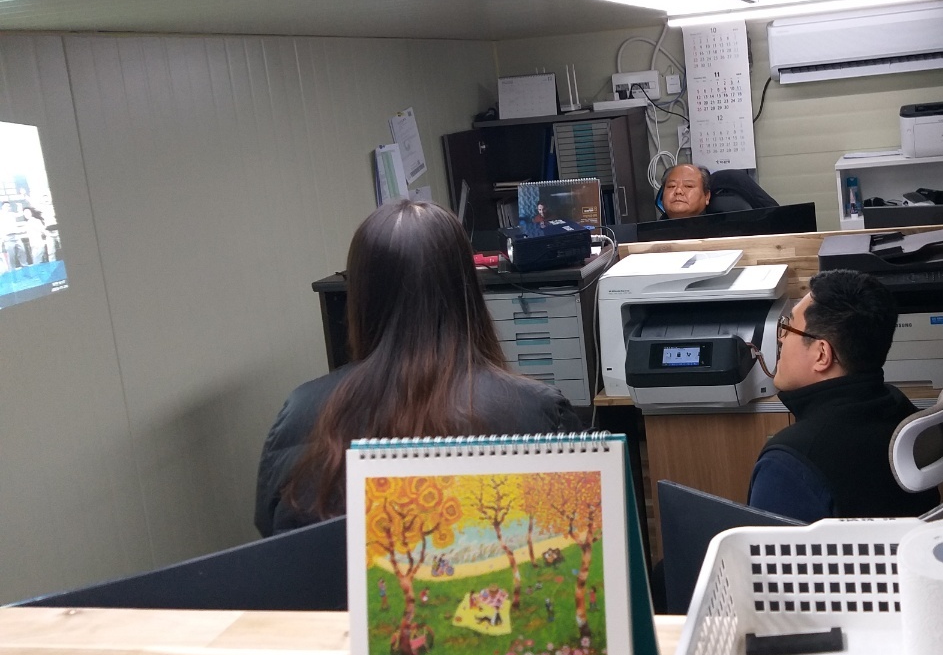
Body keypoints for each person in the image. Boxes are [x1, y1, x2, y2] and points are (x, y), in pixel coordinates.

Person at [254, 199, 581, 536]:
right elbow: (576, 536)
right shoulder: (537, 410)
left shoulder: (299, 411)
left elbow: (275, 537)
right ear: (467, 291)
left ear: (360, 298)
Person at [747, 269, 939, 521]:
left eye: (787, 328)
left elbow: (765, 547)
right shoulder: (899, 404)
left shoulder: (789, 463)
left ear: (821, 354)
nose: (781, 339)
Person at [658, 164, 778, 219]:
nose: (678, 191)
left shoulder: (727, 230)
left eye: (688, 186)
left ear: (707, 196)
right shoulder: (651, 237)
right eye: (671, 186)